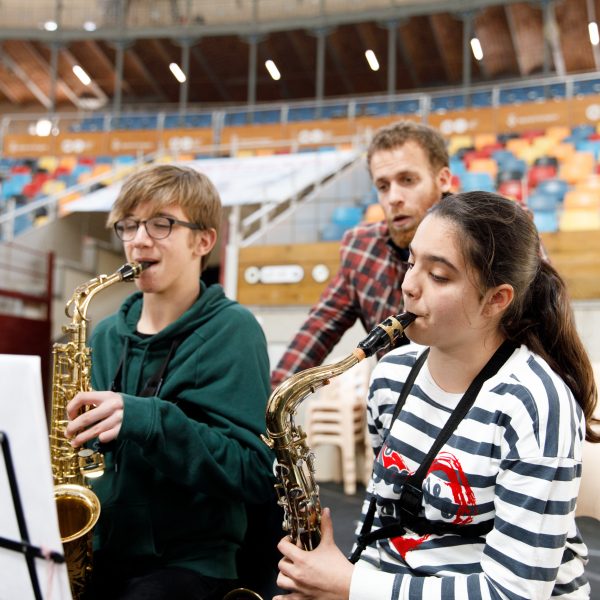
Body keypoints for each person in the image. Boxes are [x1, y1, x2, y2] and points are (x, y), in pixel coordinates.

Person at [275, 191, 599, 599]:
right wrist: (332, 578)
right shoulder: (391, 373)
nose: (408, 286)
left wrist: (350, 585)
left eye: (439, 276)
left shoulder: (534, 403)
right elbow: (386, 511)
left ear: (496, 300)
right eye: (411, 262)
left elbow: (515, 592)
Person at [65, 164, 276, 599]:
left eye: (162, 224)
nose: (139, 240)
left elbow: (254, 471)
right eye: (128, 225)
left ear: (204, 240)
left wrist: (148, 418)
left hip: (192, 564)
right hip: (97, 552)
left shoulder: (232, 330)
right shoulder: (103, 334)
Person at [270, 120, 452, 389]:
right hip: (396, 413)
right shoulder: (361, 249)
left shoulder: (497, 232)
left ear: (443, 180)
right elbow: (318, 328)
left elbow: (535, 330)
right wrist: (275, 397)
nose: (393, 198)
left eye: (408, 180)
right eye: (383, 186)